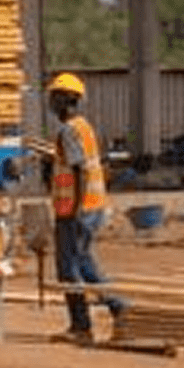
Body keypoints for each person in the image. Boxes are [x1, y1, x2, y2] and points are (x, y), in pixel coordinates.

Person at [47, 71, 129, 344]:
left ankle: (85, 325)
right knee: (83, 263)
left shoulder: (69, 130)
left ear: (64, 100)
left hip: (75, 210)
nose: (51, 103)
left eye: (54, 97)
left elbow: (80, 171)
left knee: (70, 268)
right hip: (88, 207)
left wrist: (75, 209)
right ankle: (117, 311)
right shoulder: (84, 126)